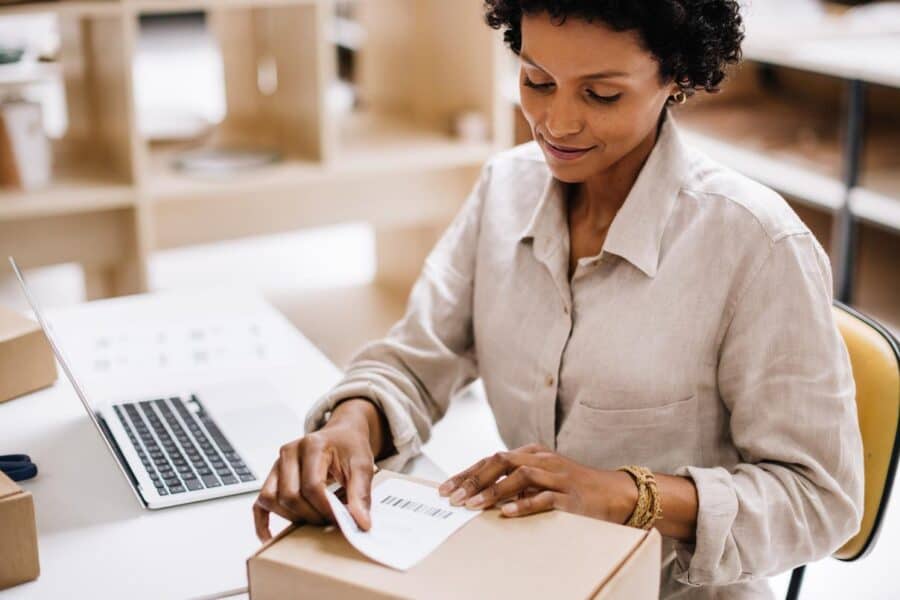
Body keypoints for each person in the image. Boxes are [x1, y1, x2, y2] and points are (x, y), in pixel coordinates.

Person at [252, 1, 864, 597]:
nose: (557, 123)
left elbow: (822, 501)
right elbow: (415, 359)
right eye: (537, 81)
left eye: (601, 95)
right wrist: (349, 427)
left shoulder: (756, 245)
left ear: (677, 75)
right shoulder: (505, 190)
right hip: (524, 572)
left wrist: (625, 495)